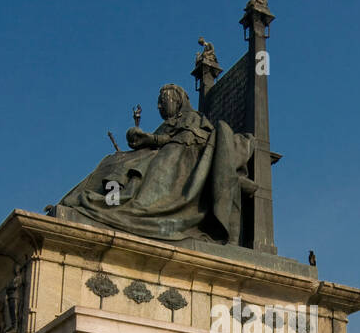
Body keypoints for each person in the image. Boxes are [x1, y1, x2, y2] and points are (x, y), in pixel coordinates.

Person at [52, 84, 253, 243]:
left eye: (162, 101)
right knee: (114, 161)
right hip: (160, 156)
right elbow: (159, 141)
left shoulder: (193, 119)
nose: (159, 106)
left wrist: (151, 140)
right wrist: (142, 138)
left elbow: (181, 140)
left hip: (179, 163)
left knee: (136, 166)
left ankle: (116, 205)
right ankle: (105, 201)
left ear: (177, 100)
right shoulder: (168, 124)